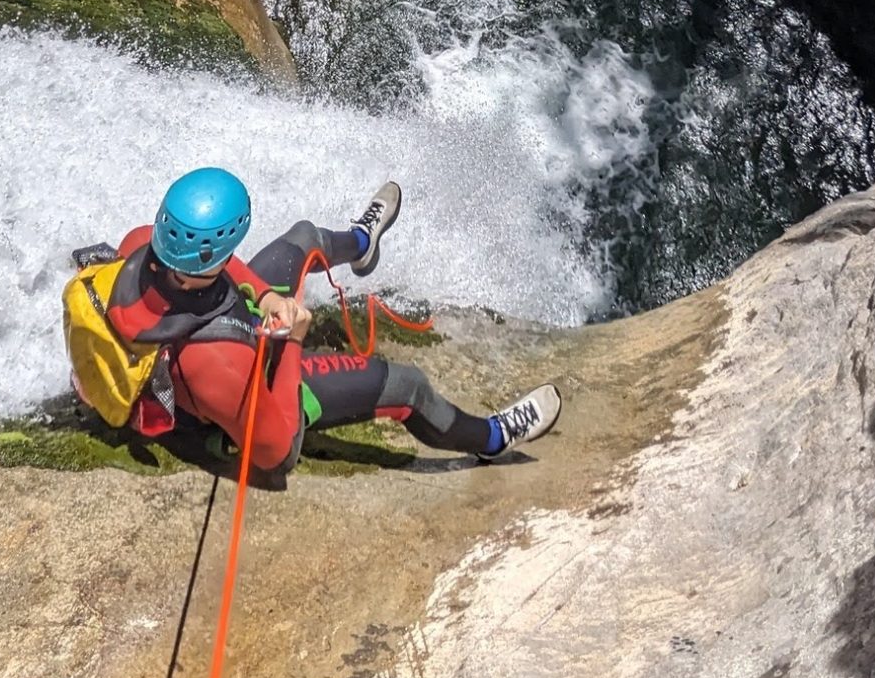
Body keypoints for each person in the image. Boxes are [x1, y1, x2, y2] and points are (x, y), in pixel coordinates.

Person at [87, 168, 561, 478]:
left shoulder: (140, 244)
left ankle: (361, 242)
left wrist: (268, 294)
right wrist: (293, 344)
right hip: (236, 395)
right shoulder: (217, 363)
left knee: (305, 236)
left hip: (211, 346)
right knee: (408, 386)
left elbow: (215, 266)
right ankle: (493, 438)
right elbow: (276, 454)